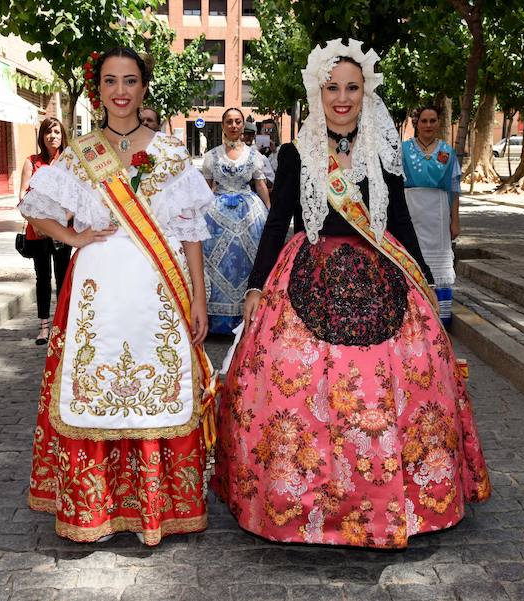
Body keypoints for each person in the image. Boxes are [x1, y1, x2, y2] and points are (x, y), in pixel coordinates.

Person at [213, 39, 491, 549]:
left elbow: (401, 220)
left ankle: (392, 501)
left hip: (381, 270)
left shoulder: (382, 152)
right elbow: (278, 222)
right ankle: (301, 500)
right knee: (294, 384)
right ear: (318, 91)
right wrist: (256, 285)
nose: (342, 98)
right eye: (332, 87)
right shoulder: (297, 153)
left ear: (367, 92)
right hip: (307, 271)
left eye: (352, 88)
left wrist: (426, 283)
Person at [19, 47, 216, 546]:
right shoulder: (81, 153)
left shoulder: (171, 153)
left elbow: (190, 231)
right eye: (111, 81)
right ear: (99, 89)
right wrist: (73, 239)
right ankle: (97, 505)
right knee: (97, 384)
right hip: (98, 288)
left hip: (159, 289)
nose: (121, 91)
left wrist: (198, 296)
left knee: (158, 392)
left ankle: (156, 507)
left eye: (130, 81)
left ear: (144, 86)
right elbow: (36, 210)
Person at [201, 108, 271, 335]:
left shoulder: (254, 156)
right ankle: (217, 320)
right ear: (222, 125)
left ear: (243, 125)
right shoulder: (212, 156)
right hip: (216, 213)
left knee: (248, 262)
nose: (233, 125)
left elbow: (260, 185)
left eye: (237, 121)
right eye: (229, 122)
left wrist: (270, 212)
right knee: (215, 263)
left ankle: (246, 317)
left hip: (250, 214)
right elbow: (206, 188)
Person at [402, 105, 461, 327]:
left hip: (438, 213)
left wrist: (455, 220)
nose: (428, 125)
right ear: (416, 123)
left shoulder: (447, 151)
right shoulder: (403, 150)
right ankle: (412, 317)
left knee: (440, 266)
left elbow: (454, 187)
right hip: (410, 211)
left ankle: (441, 321)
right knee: (412, 260)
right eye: (424, 121)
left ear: (438, 123)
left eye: (432, 120)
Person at [19, 117, 71, 345]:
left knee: (62, 277)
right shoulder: (31, 162)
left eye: (57, 132)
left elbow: (74, 198)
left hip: (62, 230)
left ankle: (61, 327)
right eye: (48, 132)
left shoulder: (69, 162)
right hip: (37, 231)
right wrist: (39, 224)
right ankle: (43, 326)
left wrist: (59, 223)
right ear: (42, 136)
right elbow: (23, 196)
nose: (53, 136)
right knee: (43, 278)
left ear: (63, 135)